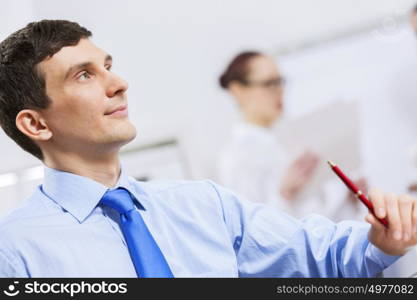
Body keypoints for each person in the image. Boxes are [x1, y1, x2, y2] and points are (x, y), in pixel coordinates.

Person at [0, 20, 416, 278]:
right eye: (84, 75)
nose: (118, 83)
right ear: (35, 123)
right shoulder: (15, 250)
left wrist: (381, 238)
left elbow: (321, 255)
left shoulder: (204, 205)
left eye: (108, 65)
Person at [217, 51, 366, 218]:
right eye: (269, 83)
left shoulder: (286, 139)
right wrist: (284, 193)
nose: (280, 91)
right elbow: (254, 232)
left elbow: (315, 214)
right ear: (238, 90)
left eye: (280, 82)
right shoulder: (238, 157)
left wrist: (347, 198)